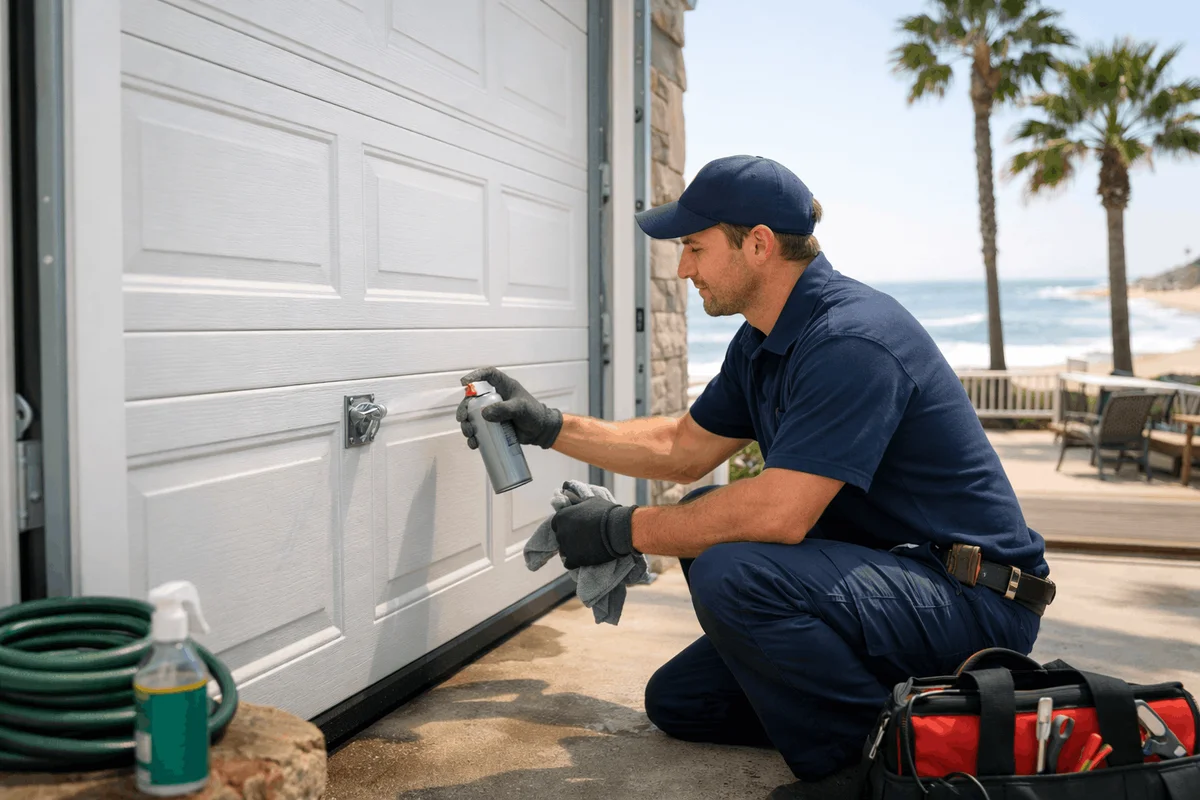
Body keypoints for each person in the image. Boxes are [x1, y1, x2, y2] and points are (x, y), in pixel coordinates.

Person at [455, 155, 1055, 797]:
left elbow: (777, 514)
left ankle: (873, 772)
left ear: (760, 245)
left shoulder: (852, 339)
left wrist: (622, 529)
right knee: (682, 702)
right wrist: (547, 426)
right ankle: (928, 713)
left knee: (730, 563)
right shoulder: (764, 341)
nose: (683, 269)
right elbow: (681, 446)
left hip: (972, 600)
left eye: (694, 247)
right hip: (892, 585)